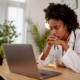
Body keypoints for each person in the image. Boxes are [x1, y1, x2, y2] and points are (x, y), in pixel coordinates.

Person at [38, 3, 80, 73]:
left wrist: (63, 44)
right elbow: (43, 63)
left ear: (66, 26)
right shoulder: (55, 40)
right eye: (51, 28)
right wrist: (48, 47)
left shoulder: (78, 38)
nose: (53, 32)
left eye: (56, 28)